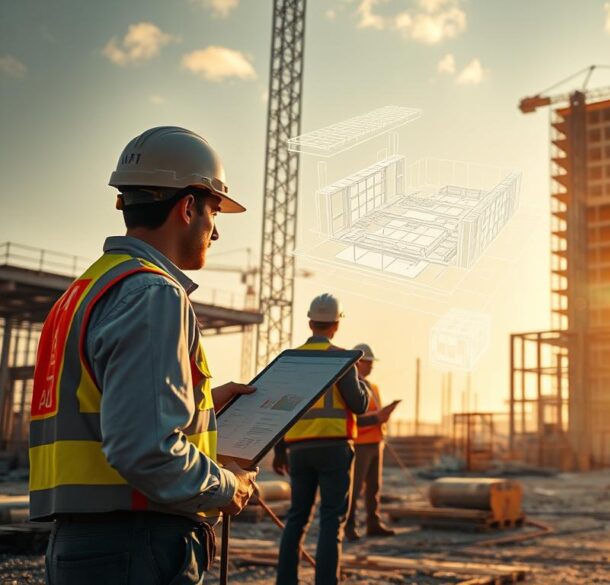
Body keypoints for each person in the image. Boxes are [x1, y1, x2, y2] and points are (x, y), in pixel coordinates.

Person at [29, 126, 258, 584]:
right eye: (214, 210)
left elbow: (106, 411)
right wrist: (226, 487)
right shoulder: (155, 294)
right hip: (135, 545)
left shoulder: (86, 291)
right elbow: (145, 450)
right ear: (188, 207)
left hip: (85, 543)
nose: (215, 232)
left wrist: (204, 408)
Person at [273, 294, 372, 585]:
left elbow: (277, 410)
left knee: (296, 518)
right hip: (334, 448)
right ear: (336, 325)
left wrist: (280, 451)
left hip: (298, 450)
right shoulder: (342, 359)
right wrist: (361, 384)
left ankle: (285, 581)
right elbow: (359, 405)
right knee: (331, 521)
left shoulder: (290, 360)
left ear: (310, 322)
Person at [344, 343, 398, 540]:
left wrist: (384, 416)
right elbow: (354, 418)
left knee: (374, 487)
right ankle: (348, 525)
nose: (371, 366)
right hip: (359, 444)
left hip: (376, 442)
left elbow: (374, 413)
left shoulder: (372, 386)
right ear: (357, 363)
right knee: (354, 487)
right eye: (368, 362)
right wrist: (377, 418)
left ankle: (372, 523)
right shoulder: (350, 386)